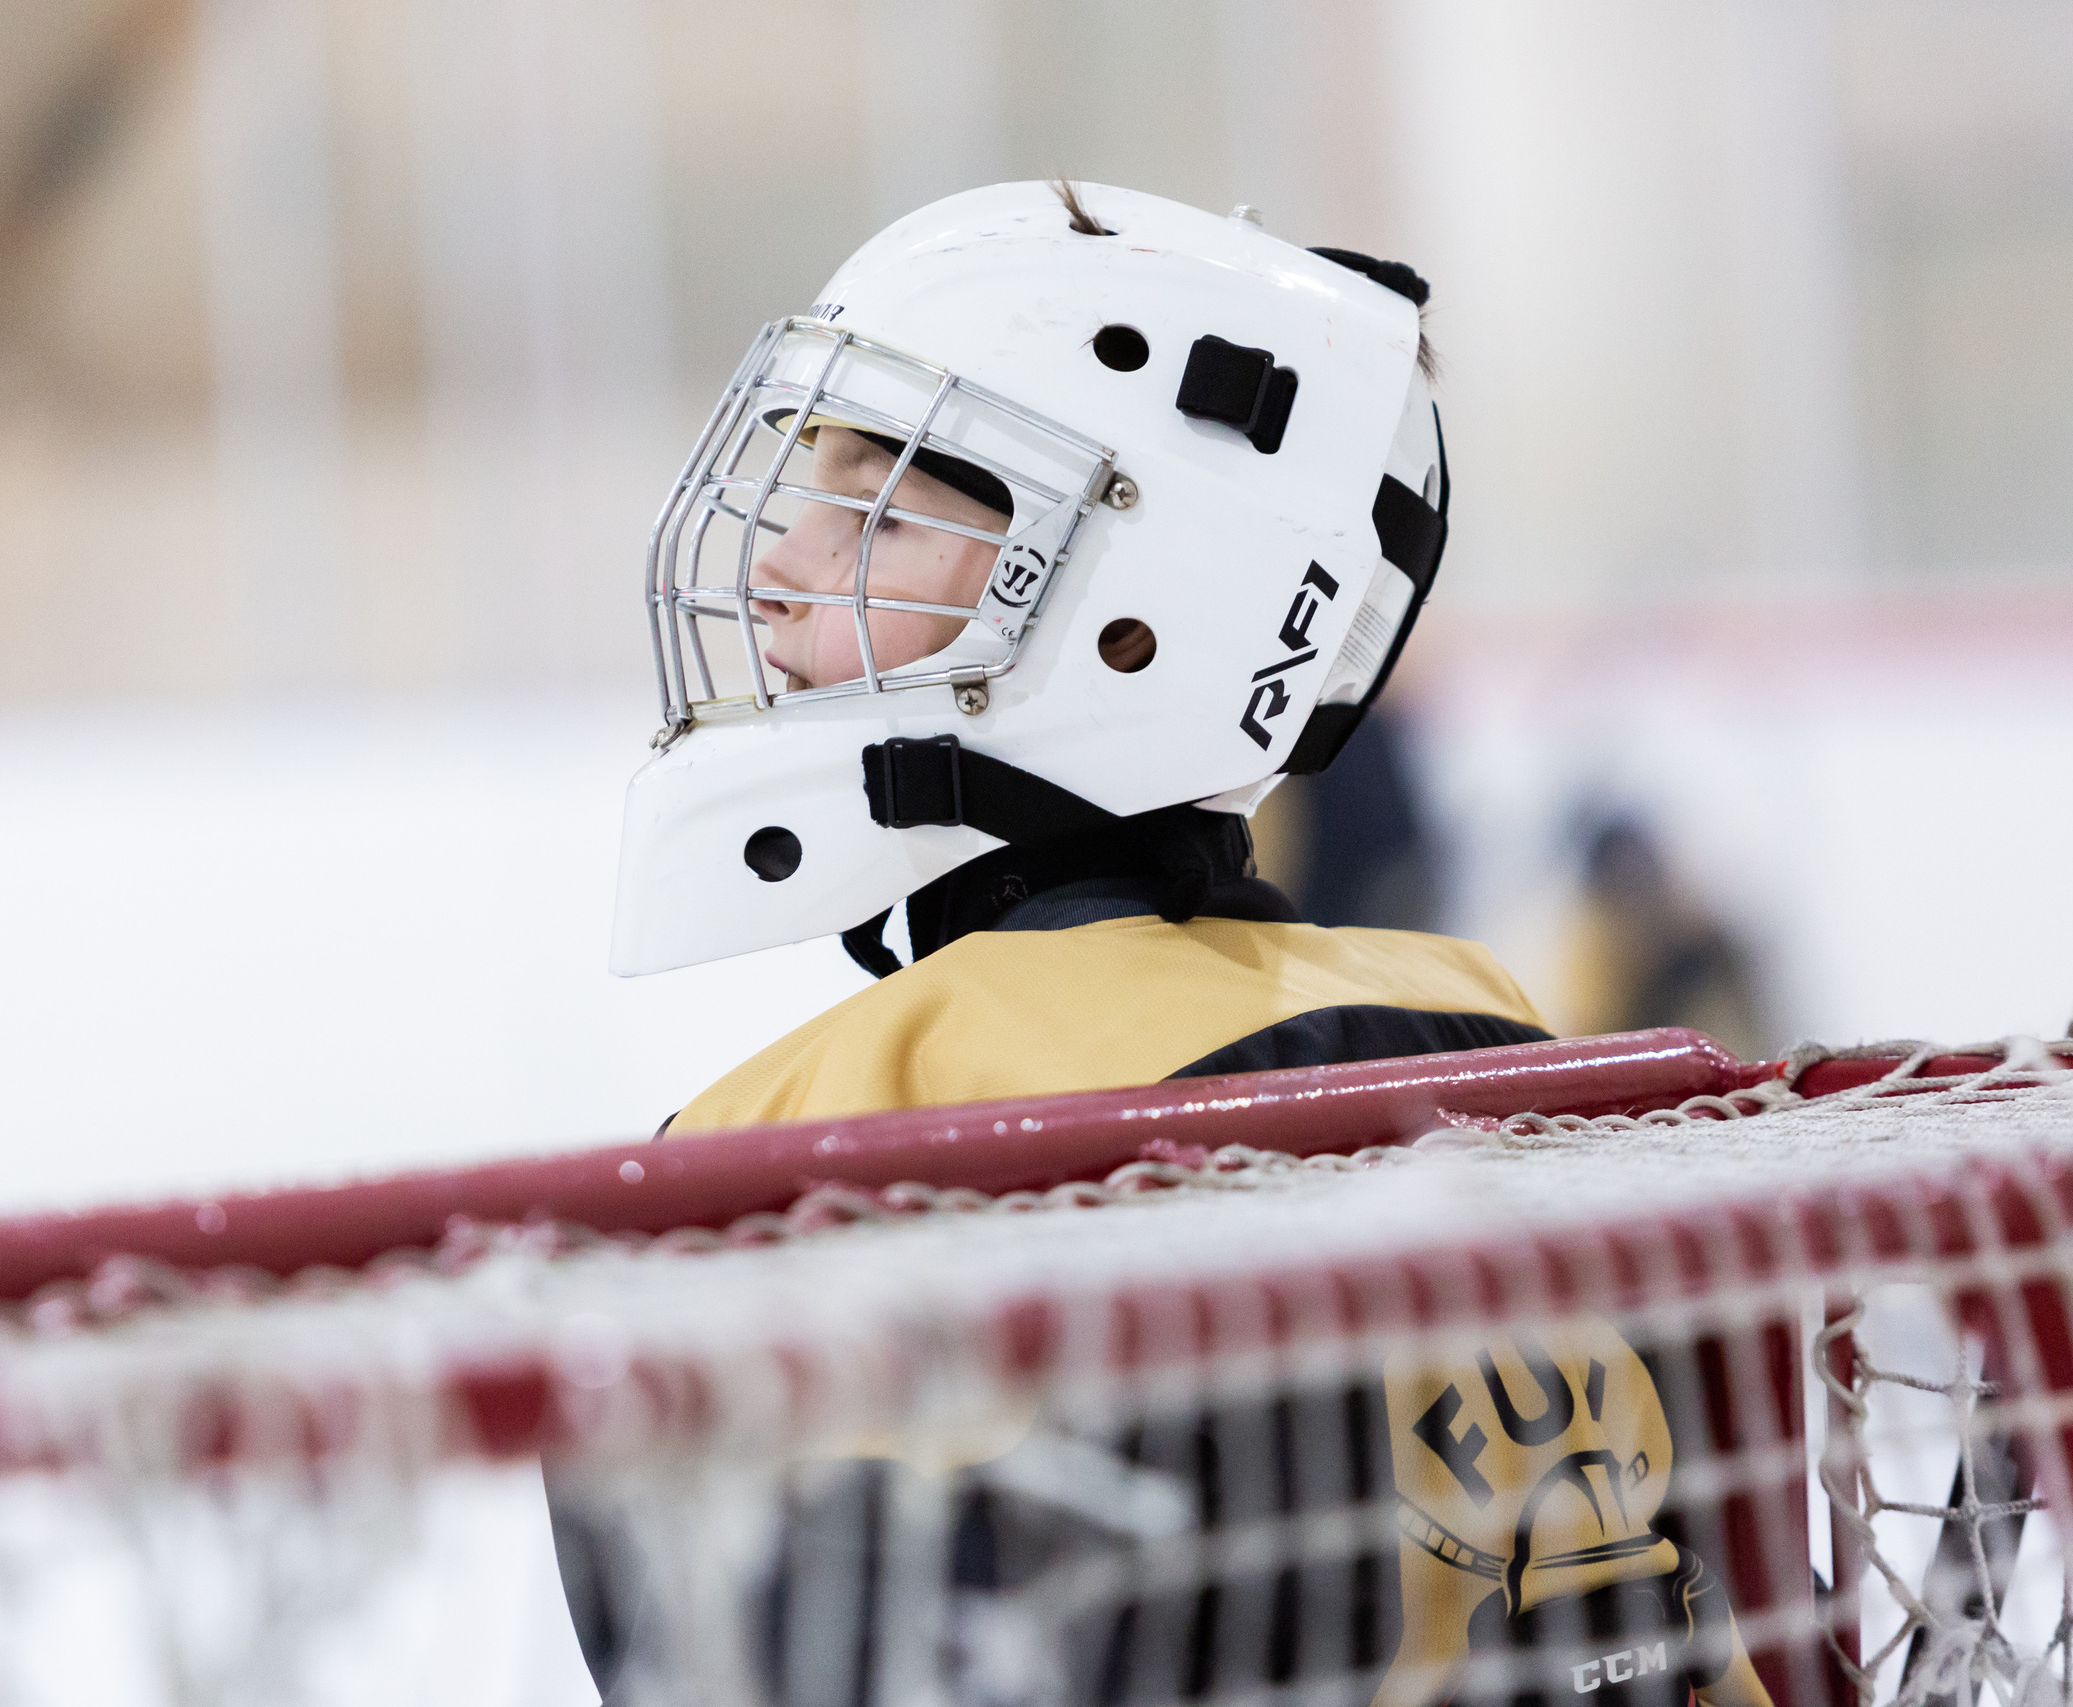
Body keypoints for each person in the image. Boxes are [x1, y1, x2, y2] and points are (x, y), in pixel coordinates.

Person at [570, 181, 1771, 1707]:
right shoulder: (1502, 1028)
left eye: (878, 484)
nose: (780, 562)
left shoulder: (803, 1133)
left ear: (1133, 606)